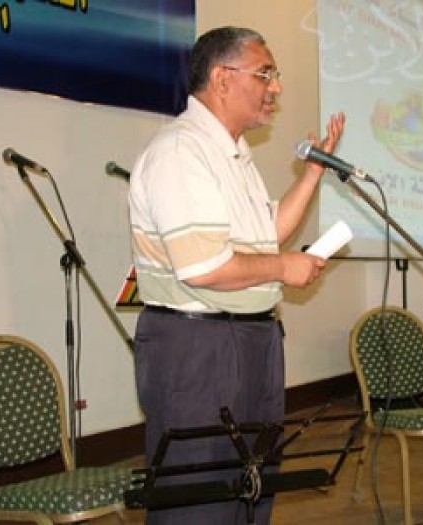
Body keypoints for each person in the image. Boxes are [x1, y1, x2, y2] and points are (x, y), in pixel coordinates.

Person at [128, 26, 345, 524]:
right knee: (199, 498)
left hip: (250, 341)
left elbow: (268, 234)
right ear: (223, 79)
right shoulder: (181, 152)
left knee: (251, 488)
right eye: (265, 74)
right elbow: (203, 265)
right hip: (199, 347)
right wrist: (284, 267)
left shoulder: (233, 154)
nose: (276, 87)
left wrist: (313, 173)